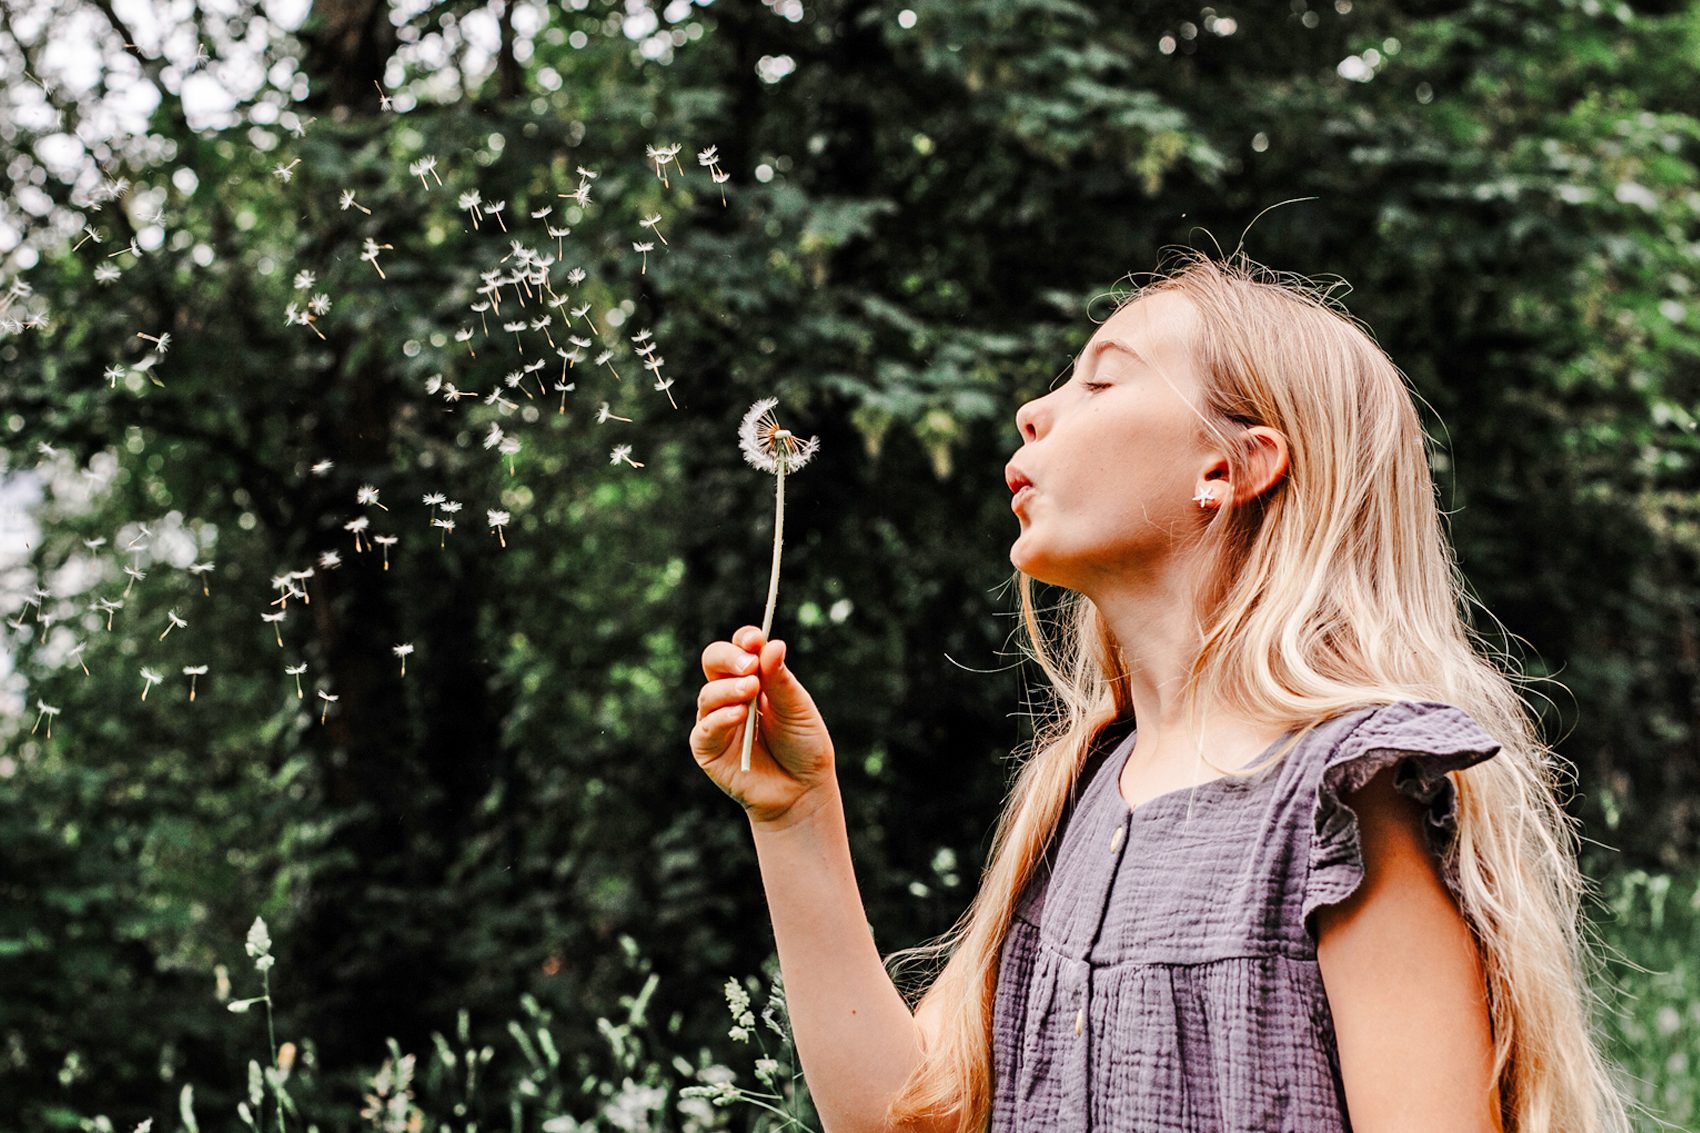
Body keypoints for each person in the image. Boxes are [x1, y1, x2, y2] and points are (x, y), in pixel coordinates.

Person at [688, 249, 1637, 1132]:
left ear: (1229, 468)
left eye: (1101, 379)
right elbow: (905, 1115)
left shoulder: (1346, 798)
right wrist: (797, 818)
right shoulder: (1077, 794)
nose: (1035, 410)